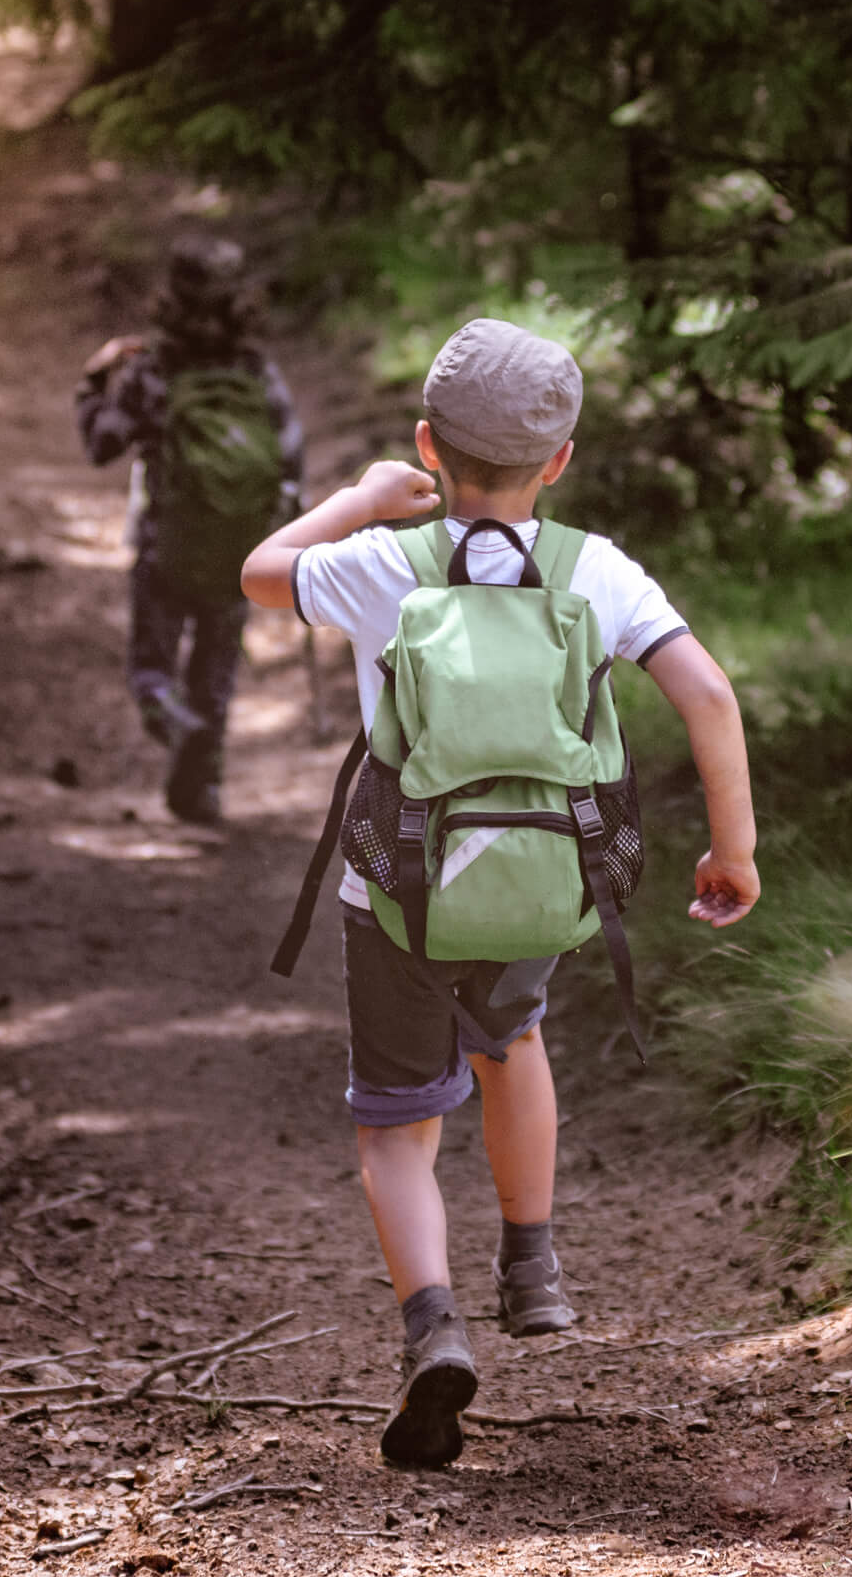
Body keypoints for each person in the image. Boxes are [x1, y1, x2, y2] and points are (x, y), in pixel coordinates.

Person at [241, 317, 759, 1467]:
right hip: (539, 885)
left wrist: (360, 501)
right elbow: (708, 695)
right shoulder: (594, 571)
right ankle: (532, 1263)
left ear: (430, 447)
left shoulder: (386, 564)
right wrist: (734, 851)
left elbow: (260, 574)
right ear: (559, 461)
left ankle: (432, 1325)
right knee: (513, 1040)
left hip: (399, 896)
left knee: (396, 1125)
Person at [77, 235, 303, 824]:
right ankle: (200, 790)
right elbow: (289, 457)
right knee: (215, 669)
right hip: (239, 548)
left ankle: (168, 711)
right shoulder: (255, 369)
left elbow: (102, 444)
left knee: (152, 665)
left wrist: (93, 384)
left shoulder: (154, 370)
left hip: (165, 543)